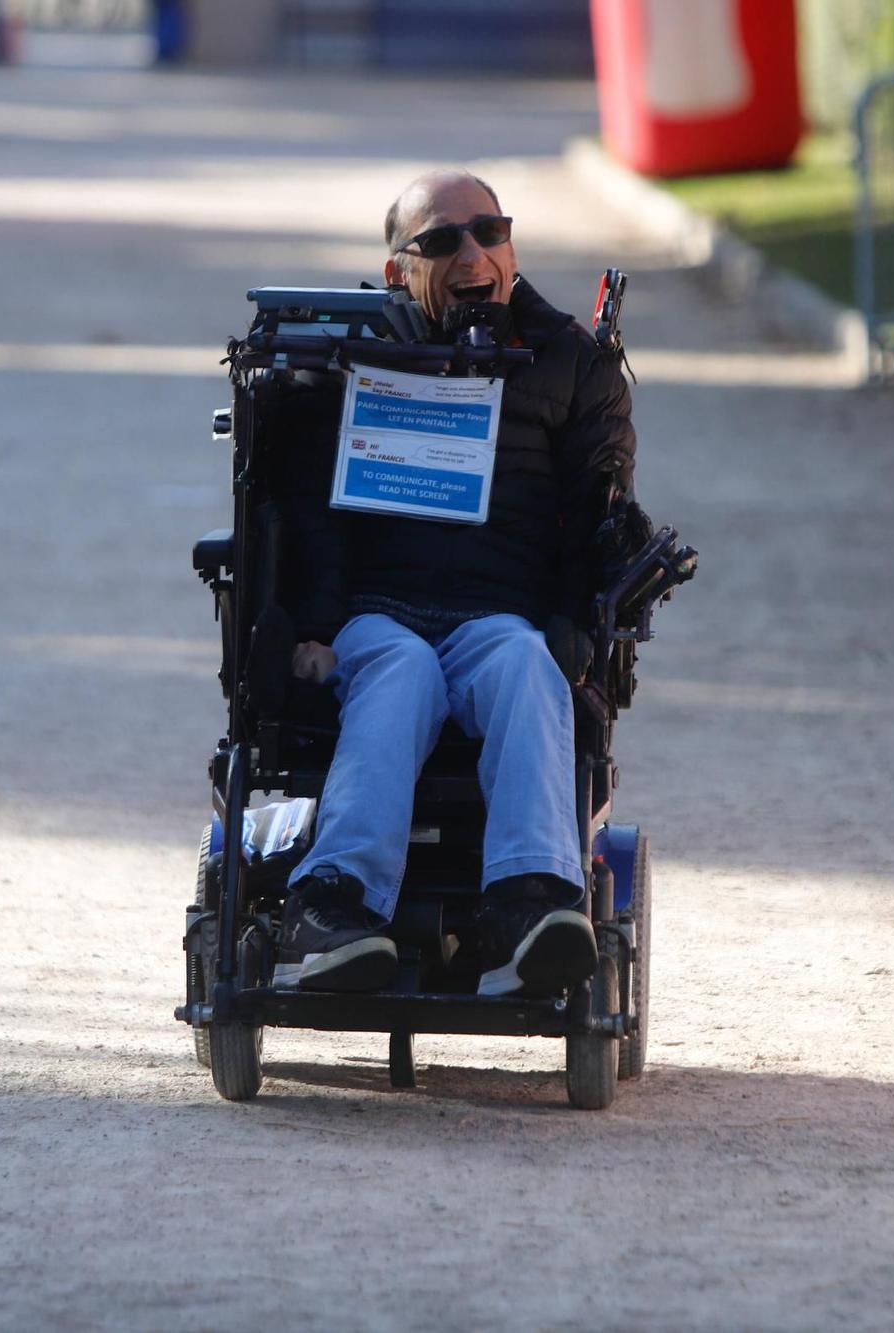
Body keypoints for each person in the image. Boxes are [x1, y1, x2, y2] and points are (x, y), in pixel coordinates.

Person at [273, 168, 636, 998]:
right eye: (442, 240)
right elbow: (306, 514)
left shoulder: (571, 363)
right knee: (401, 671)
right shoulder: (348, 357)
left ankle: (530, 906)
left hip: (497, 616)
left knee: (524, 662)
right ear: (400, 269)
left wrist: (576, 624)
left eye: (491, 231)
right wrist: (314, 628)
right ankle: (333, 905)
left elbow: (598, 517)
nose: (474, 253)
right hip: (377, 616)